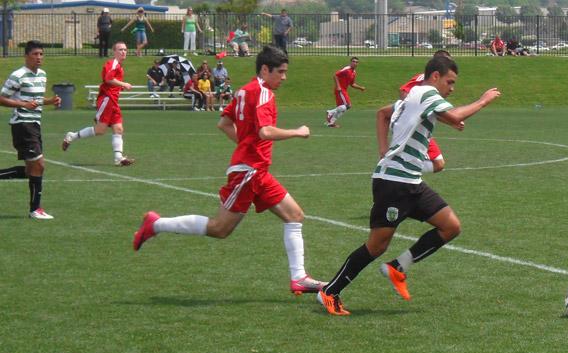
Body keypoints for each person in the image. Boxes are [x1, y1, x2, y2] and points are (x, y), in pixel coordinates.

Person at [132, 45, 326, 296]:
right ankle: (156, 225)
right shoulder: (264, 93)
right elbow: (265, 131)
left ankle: (299, 277)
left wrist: (246, 146)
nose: (284, 77)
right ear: (265, 70)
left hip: (256, 171)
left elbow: (223, 123)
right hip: (249, 171)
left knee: (295, 216)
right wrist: (298, 132)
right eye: (280, 72)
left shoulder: (244, 90)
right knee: (220, 228)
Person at [317, 56, 501, 316]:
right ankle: (330, 292)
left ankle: (398, 267)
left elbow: (383, 114)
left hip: (410, 181)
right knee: (376, 246)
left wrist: (384, 150)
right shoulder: (426, 93)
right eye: (450, 82)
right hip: (394, 184)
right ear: (435, 76)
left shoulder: (414, 95)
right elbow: (454, 113)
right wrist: (483, 100)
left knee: (451, 227)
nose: (452, 88)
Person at [1, 40, 61, 219]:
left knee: (30, 170)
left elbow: (36, 100)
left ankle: (35, 209)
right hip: (22, 124)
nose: (39, 57)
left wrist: (50, 101)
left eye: (41, 54)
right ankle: (35, 209)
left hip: (35, 124)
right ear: (26, 56)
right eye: (35, 54)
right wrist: (23, 104)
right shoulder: (18, 75)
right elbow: (2, 98)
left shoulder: (42, 75)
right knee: (39, 166)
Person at [61, 42, 135, 167]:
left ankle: (118, 158)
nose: (123, 52)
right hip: (107, 99)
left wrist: (119, 87)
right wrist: (123, 84)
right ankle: (72, 136)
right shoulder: (113, 64)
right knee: (100, 130)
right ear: (114, 52)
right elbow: (108, 78)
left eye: (125, 50)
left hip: (113, 101)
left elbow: (111, 81)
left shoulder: (119, 66)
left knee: (118, 129)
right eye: (120, 49)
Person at [325, 57, 365, 128]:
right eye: (353, 61)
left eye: (356, 62)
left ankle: (331, 122)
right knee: (348, 105)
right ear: (350, 62)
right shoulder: (347, 69)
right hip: (340, 89)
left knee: (342, 108)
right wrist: (338, 86)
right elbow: (335, 75)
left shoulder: (354, 72)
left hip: (344, 90)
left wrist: (360, 88)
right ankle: (330, 112)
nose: (355, 63)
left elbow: (352, 84)